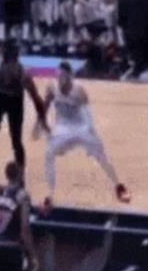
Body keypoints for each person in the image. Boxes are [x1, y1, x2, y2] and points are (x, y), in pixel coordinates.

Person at [38, 61, 131, 212]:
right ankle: (49, 196)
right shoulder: (52, 87)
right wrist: (44, 127)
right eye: (58, 75)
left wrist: (90, 131)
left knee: (101, 156)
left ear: (70, 77)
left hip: (81, 127)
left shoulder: (79, 90)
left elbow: (87, 113)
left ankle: (118, 186)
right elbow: (44, 107)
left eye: (63, 76)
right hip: (63, 128)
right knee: (49, 153)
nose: (60, 79)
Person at [0, 40, 48, 184]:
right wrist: (41, 117)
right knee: (11, 141)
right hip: (10, 99)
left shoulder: (3, 70)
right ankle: (15, 177)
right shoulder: (18, 71)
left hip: (3, 99)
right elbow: (35, 97)